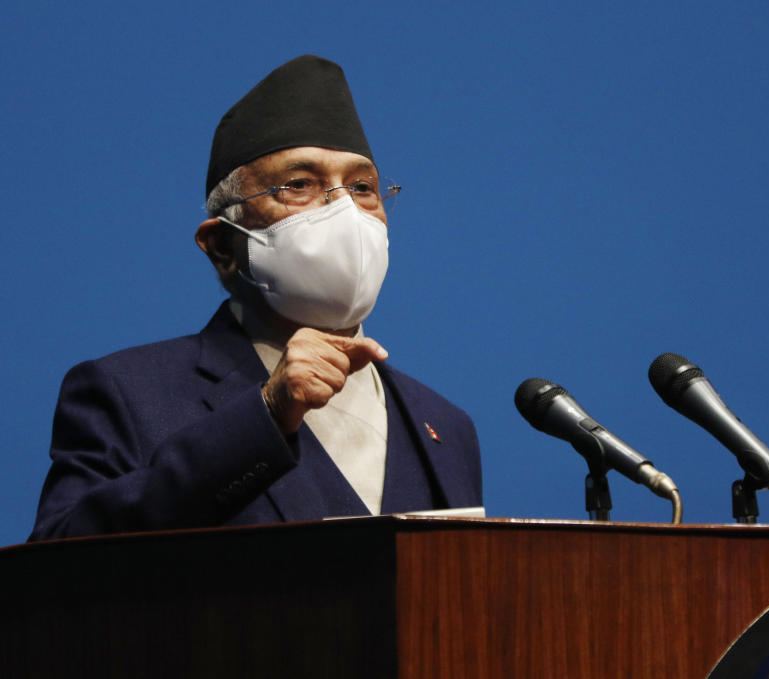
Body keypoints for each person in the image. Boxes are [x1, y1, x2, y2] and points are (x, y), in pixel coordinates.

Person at [29, 55, 482, 540]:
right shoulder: (127, 393)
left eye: (363, 187)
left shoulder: (445, 426)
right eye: (299, 185)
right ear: (224, 248)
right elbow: (57, 565)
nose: (345, 211)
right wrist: (265, 415)